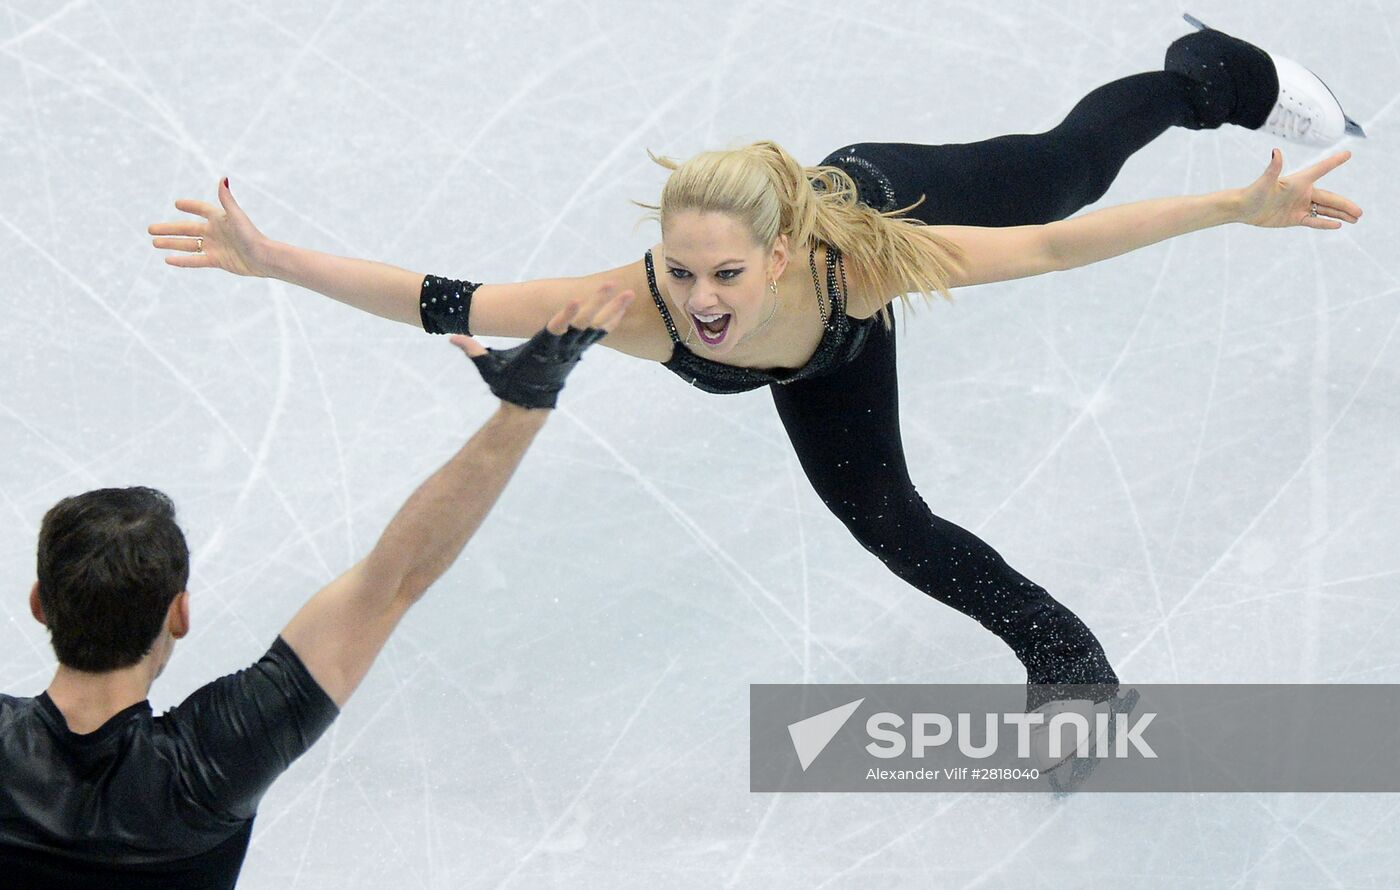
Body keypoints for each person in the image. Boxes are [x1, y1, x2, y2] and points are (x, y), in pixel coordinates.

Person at [147, 20, 1363, 765]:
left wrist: (1232, 206)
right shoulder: (637, 303)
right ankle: (1065, 655)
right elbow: (444, 300)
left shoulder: (859, 251)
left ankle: (1199, 77)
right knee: (891, 523)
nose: (701, 298)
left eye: (723, 273)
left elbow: (1052, 250)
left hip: (869, 222)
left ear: (777, 256)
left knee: (1054, 180)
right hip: (819, 365)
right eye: (681, 271)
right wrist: (274, 259)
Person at [0, 290, 632, 889]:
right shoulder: (212, 764)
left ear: (39, 603)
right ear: (180, 613)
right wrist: (525, 403)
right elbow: (396, 578)